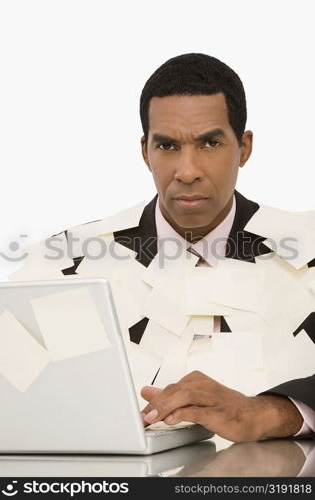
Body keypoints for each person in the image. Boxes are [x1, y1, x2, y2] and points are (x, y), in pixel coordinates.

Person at [16, 53, 315, 442]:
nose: (187, 171)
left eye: (210, 143)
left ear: (243, 148)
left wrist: (275, 413)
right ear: (145, 151)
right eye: (168, 146)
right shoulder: (66, 263)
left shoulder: (307, 250)